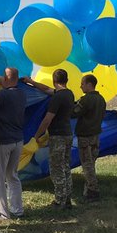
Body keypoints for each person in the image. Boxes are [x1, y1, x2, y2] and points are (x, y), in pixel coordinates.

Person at [0, 68, 31, 220]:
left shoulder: (2, 95)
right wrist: (4, 82)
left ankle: (2, 213)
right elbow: (10, 87)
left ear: (5, 80)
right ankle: (17, 210)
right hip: (17, 140)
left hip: (2, 141)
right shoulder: (21, 94)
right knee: (12, 176)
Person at [32, 69, 76, 209]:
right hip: (68, 134)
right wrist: (31, 82)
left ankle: (59, 201)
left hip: (58, 136)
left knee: (56, 168)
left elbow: (48, 119)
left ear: (54, 80)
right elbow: (47, 89)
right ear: (66, 80)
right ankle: (67, 199)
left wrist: (36, 135)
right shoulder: (69, 94)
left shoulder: (57, 98)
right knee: (65, 167)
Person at [72, 74, 107, 202]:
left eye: (82, 83)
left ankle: (93, 191)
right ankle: (88, 190)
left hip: (85, 137)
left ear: (89, 84)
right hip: (96, 136)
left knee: (87, 165)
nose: (80, 86)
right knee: (91, 163)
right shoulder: (101, 99)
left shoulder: (86, 100)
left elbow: (74, 113)